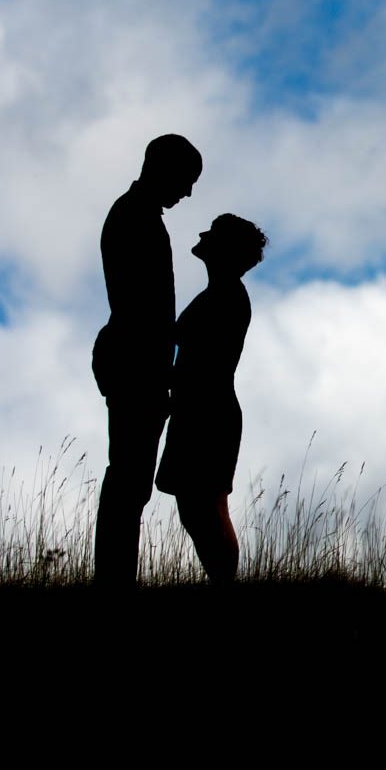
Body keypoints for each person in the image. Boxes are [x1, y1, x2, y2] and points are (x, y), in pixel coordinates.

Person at [92, 133, 202, 586]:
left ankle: (115, 580)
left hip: (138, 361)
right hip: (136, 363)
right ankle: (114, 582)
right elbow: (144, 308)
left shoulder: (135, 214)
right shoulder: (134, 217)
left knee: (130, 479)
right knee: (128, 479)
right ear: (161, 168)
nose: (188, 192)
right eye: (186, 180)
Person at [155, 212, 267, 584]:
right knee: (197, 507)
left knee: (206, 506)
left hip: (208, 411)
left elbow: (207, 363)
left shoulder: (226, 296)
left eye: (214, 232)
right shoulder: (220, 294)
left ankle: (225, 588)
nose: (203, 232)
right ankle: (223, 586)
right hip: (200, 407)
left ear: (225, 248)